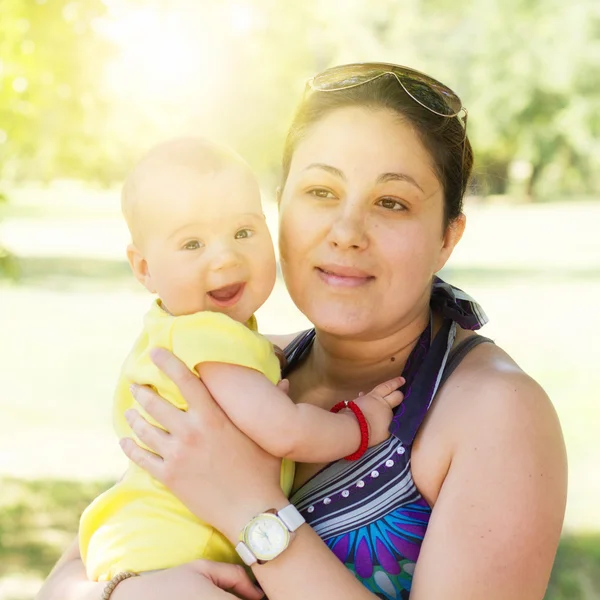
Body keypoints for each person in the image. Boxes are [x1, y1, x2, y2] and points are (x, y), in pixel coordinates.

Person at [37, 63, 567, 600]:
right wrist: (125, 592)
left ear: (447, 237)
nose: (346, 233)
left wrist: (251, 510)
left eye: (391, 203)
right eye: (320, 191)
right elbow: (80, 565)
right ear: (280, 204)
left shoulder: (496, 412)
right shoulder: (249, 364)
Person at [78, 137, 404, 582]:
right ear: (144, 269)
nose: (225, 256)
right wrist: (359, 424)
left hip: (151, 544)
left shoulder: (189, 332)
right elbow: (285, 431)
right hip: (166, 551)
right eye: (192, 244)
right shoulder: (206, 336)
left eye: (244, 232)